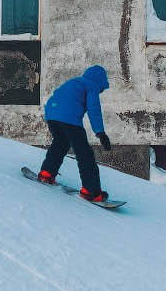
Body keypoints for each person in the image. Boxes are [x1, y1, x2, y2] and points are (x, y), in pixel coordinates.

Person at [34, 65, 113, 204]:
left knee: (60, 144)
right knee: (85, 155)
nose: (100, 91)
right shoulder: (91, 86)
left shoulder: (74, 82)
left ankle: (46, 173)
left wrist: (53, 115)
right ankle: (92, 192)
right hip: (69, 120)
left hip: (52, 116)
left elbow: (55, 97)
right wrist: (100, 133)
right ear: (99, 81)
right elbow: (93, 109)